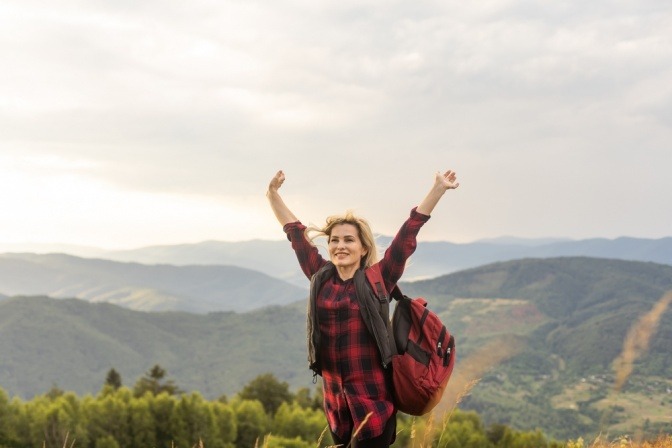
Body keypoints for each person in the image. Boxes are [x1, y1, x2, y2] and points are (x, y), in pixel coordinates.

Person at [266, 169, 459, 447]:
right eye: (334, 240)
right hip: (336, 406)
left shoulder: (377, 279)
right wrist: (272, 194)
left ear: (363, 248)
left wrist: (437, 189)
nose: (340, 246)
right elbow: (295, 235)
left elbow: (406, 238)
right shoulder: (321, 277)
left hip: (374, 404)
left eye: (348, 240)